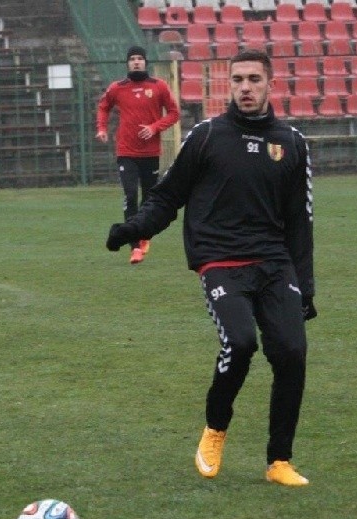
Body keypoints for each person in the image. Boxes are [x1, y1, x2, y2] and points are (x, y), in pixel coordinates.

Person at [106, 49, 316, 486]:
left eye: (254, 79)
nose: (245, 88)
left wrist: (306, 287)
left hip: (275, 263)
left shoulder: (292, 143)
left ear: (270, 84)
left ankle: (279, 461)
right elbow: (168, 196)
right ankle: (215, 430)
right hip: (220, 261)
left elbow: (300, 220)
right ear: (229, 84)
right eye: (237, 79)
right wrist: (134, 228)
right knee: (239, 344)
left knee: (292, 354)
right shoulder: (206, 136)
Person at [96, 45, 180, 265]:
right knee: (130, 194)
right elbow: (103, 106)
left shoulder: (158, 86)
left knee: (148, 198)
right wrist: (102, 128)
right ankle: (134, 246)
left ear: (145, 62)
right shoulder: (117, 88)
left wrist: (154, 127)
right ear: (127, 63)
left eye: (139, 58)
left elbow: (174, 113)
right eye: (132, 58)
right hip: (126, 151)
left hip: (150, 152)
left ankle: (143, 236)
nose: (136, 62)